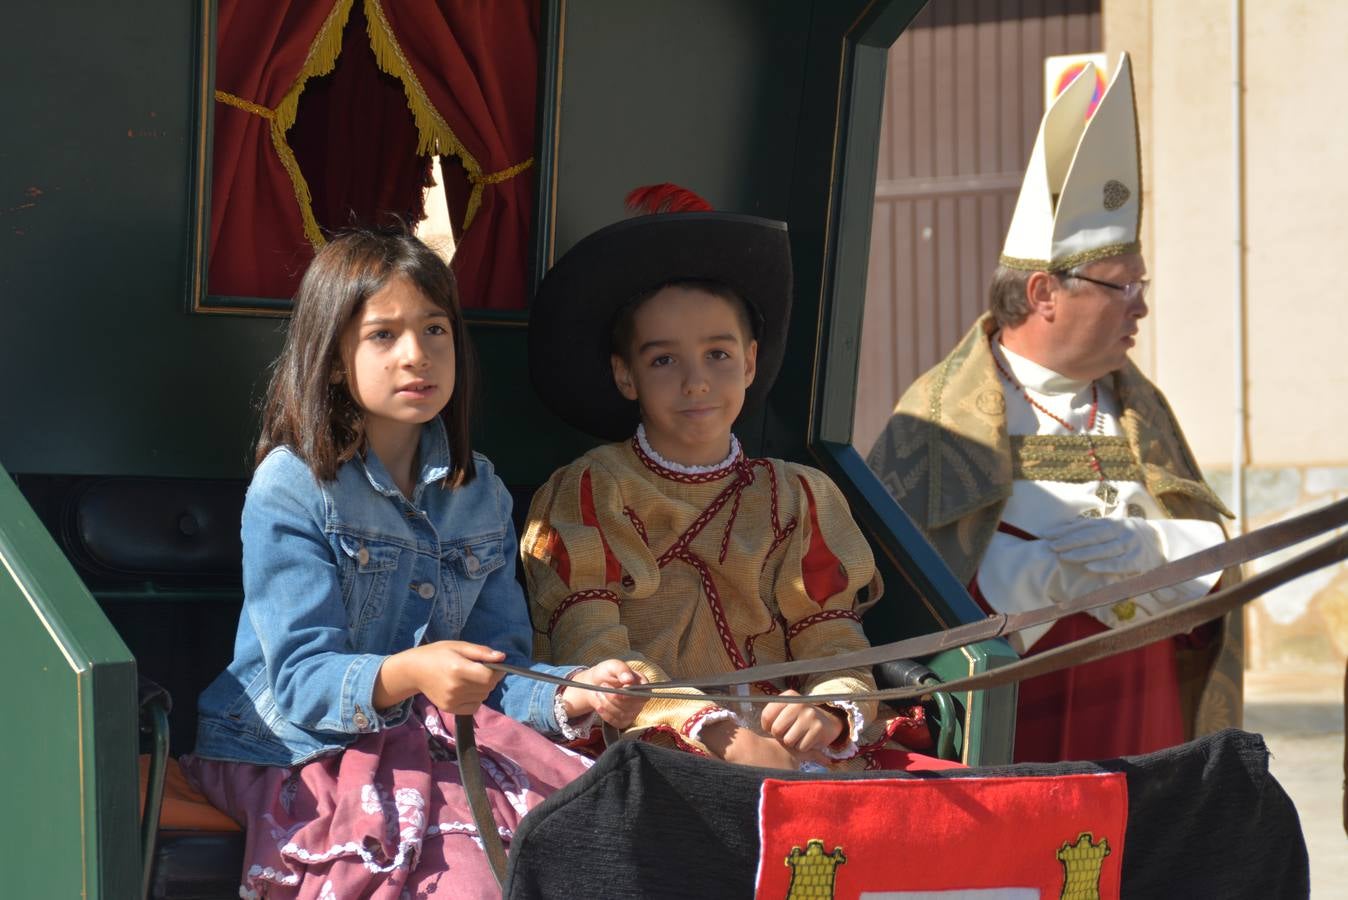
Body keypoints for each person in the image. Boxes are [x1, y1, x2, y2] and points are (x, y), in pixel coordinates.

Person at [180, 227, 645, 899]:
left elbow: (500, 668)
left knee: (599, 848)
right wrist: (414, 673)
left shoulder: (478, 488)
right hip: (300, 751)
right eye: (383, 335)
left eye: (435, 331)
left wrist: (576, 691)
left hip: (441, 741)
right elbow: (302, 682)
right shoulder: (291, 486)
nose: (416, 356)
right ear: (335, 358)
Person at [867, 54, 1241, 763]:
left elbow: (1217, 579)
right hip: (1016, 716)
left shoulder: (1141, 409)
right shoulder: (943, 417)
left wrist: (1161, 554)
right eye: (1121, 287)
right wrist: (1024, 579)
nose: (1142, 307)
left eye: (1141, 285)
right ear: (1043, 293)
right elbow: (892, 590)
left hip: (1145, 713)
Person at [521, 185, 956, 773]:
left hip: (788, 741)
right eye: (664, 360)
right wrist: (715, 732)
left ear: (750, 361)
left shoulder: (798, 495)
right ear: (626, 375)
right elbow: (591, 643)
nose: (697, 382)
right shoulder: (592, 488)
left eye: (718, 355)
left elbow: (829, 637)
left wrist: (830, 710)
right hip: (649, 740)